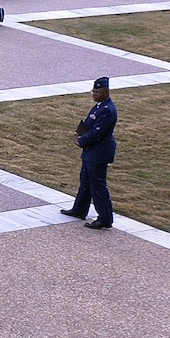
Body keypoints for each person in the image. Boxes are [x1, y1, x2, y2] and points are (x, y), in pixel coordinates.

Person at [63, 76, 118, 229]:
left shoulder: (107, 110)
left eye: (97, 92)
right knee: (86, 181)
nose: (93, 94)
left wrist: (81, 140)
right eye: (93, 91)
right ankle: (79, 209)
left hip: (99, 152)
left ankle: (105, 218)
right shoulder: (99, 106)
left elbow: (97, 131)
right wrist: (80, 133)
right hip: (92, 151)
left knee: (98, 186)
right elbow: (90, 123)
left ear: (105, 92)